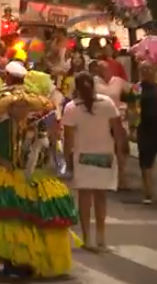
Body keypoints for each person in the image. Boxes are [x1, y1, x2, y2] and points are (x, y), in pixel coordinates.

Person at [0, 81, 79, 280]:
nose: (22, 109)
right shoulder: (0, 129)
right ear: (10, 109)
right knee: (9, 219)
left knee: (34, 218)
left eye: (25, 106)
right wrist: (2, 161)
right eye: (18, 106)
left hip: (33, 177)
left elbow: (46, 153)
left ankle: (29, 258)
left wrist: (45, 142)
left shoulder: (37, 127)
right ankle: (10, 259)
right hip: (5, 178)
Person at [62, 71, 124, 251]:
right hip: (105, 155)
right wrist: (120, 153)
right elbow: (118, 132)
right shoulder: (107, 103)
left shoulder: (72, 107)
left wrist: (67, 160)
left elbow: (68, 140)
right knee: (101, 197)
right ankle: (101, 237)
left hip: (83, 157)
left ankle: (87, 238)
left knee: (84, 197)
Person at [136, 61, 157, 204]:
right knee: (145, 162)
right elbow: (132, 109)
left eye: (148, 68)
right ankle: (148, 192)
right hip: (144, 129)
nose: (145, 71)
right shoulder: (136, 89)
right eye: (143, 69)